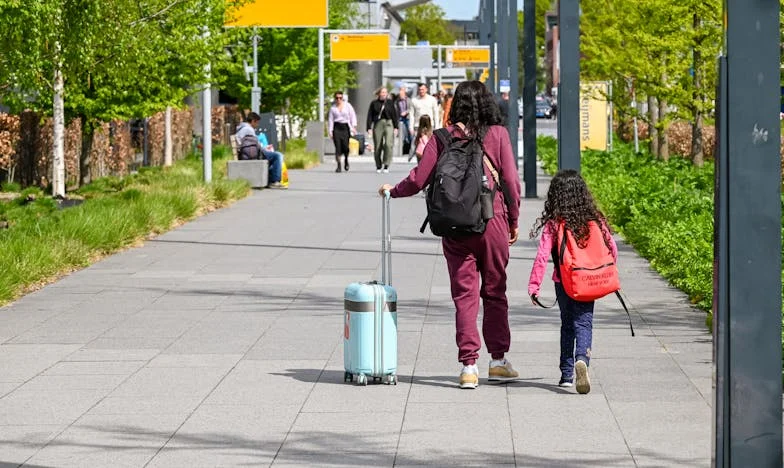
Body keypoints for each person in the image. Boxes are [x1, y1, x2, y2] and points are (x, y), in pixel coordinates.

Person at [378, 80, 522, 389]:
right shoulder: (498, 134)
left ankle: (468, 366)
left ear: (456, 104)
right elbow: (510, 180)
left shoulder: (442, 137)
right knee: (495, 292)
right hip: (492, 220)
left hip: (455, 224)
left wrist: (393, 190)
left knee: (464, 294)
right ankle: (498, 362)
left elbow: (418, 179)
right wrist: (513, 219)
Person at [527, 169, 618, 394]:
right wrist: (603, 272)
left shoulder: (554, 223)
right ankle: (582, 360)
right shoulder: (595, 219)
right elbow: (612, 249)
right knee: (584, 323)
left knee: (567, 324)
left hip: (564, 282)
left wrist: (534, 286)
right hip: (588, 280)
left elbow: (542, 256)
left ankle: (567, 375)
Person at [366, 87, 399, 173]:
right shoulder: (374, 103)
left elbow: (394, 114)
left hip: (389, 123)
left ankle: (386, 164)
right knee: (378, 145)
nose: (384, 94)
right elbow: (370, 115)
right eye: (382, 92)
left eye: (385, 92)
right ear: (379, 94)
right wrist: (368, 127)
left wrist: (396, 127)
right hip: (378, 124)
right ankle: (378, 165)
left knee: (388, 144)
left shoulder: (390, 102)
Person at [328, 91, 357, 173]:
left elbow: (352, 116)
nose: (338, 100)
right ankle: (339, 165)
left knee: (345, 147)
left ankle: (346, 159)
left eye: (340, 98)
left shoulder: (348, 106)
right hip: (337, 128)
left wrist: (353, 127)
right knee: (338, 148)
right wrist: (330, 131)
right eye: (337, 98)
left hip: (345, 127)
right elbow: (330, 120)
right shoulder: (333, 108)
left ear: (342, 98)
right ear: (335, 99)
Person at [396, 87, 412, 158]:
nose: (400, 96)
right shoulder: (397, 101)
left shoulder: (409, 100)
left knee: (409, 134)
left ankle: (410, 149)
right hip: (401, 119)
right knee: (403, 134)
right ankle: (404, 149)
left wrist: (406, 112)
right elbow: (397, 110)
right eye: (400, 94)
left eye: (402, 94)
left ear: (404, 94)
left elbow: (411, 109)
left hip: (408, 118)